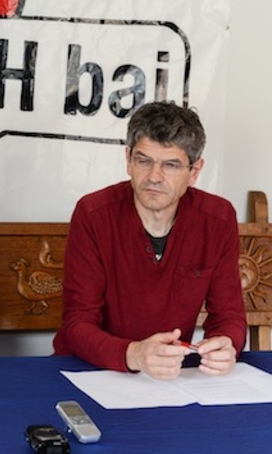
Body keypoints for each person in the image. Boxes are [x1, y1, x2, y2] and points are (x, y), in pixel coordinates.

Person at [53, 101, 247, 379]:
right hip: (89, 371)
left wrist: (227, 344)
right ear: (128, 160)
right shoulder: (93, 213)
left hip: (169, 376)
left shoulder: (218, 218)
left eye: (171, 165)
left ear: (194, 171)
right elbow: (77, 322)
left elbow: (228, 315)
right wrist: (133, 354)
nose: (154, 177)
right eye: (143, 161)